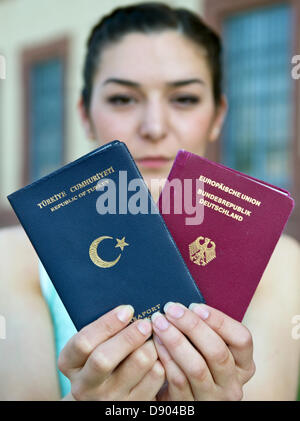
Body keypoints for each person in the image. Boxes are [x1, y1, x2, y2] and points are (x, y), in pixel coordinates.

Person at [0, 2, 299, 401]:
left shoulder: (280, 262)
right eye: (123, 99)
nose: (154, 127)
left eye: (185, 99)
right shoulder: (13, 259)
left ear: (217, 116)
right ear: (85, 115)